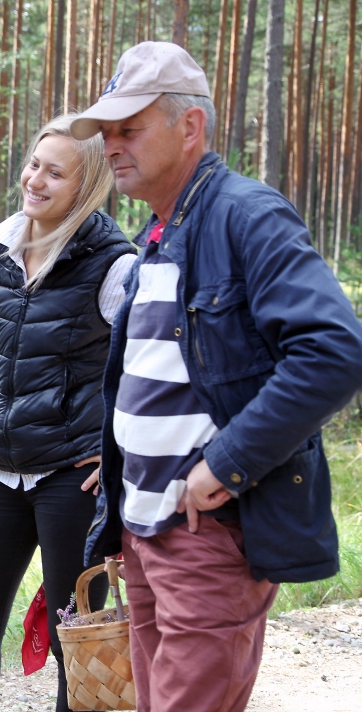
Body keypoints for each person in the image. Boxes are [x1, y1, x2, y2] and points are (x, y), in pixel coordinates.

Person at [74, 42, 362, 712]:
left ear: (190, 127)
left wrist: (226, 465)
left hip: (208, 537)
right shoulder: (156, 236)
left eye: (130, 129)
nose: (111, 146)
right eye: (107, 132)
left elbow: (333, 353)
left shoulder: (246, 216)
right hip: (146, 533)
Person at [0, 115, 136, 712]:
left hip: (72, 483)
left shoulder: (114, 265)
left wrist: (117, 457)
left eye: (56, 172)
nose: (36, 179)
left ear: (85, 187)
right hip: (1, 476)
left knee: (74, 644)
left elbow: (144, 373)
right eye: (34, 164)